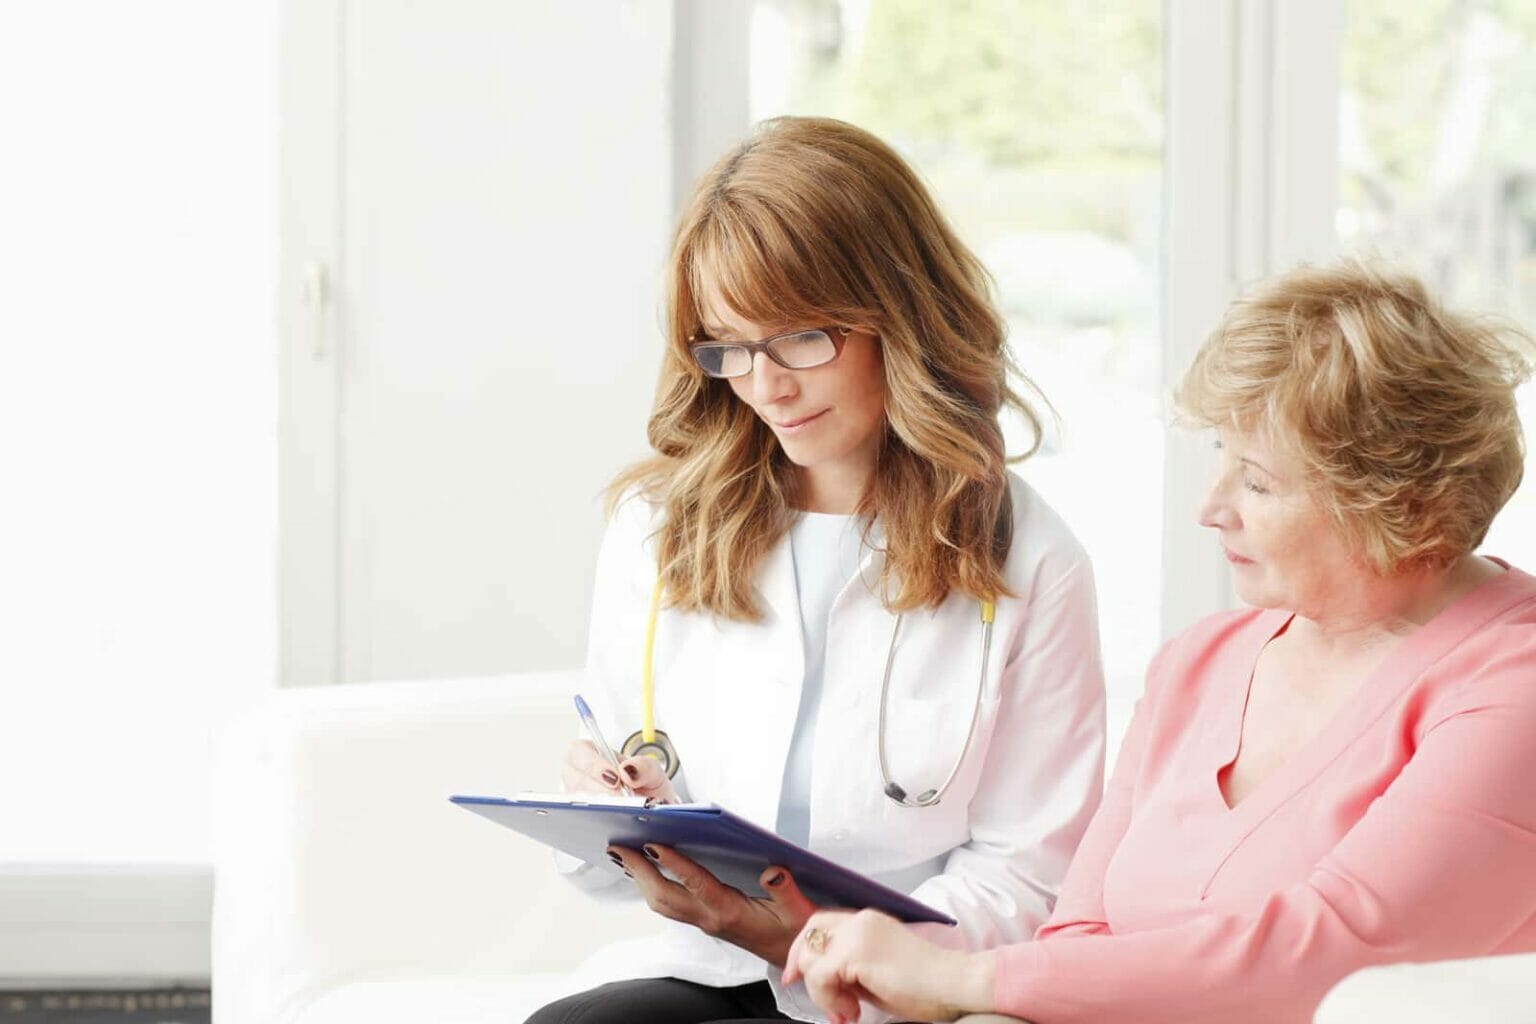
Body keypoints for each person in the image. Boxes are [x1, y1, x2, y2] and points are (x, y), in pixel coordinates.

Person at [781, 259, 1536, 1024]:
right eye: (1220, 459)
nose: (1212, 508)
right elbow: (1077, 936)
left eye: (1259, 482)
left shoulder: (1513, 684)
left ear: (1396, 506)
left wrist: (963, 979)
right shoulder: (1201, 663)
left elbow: (1333, 954)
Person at [524, 116, 1107, 1024]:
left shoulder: (1033, 563)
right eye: (728, 346)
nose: (765, 386)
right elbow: (624, 777)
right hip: (705, 970)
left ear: (901, 313)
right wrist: (606, 801)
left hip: (901, 995)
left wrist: (816, 942)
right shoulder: (660, 527)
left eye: (800, 337)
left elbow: (1030, 877)